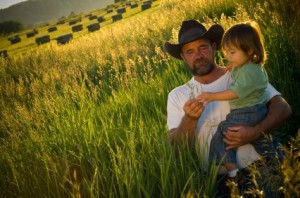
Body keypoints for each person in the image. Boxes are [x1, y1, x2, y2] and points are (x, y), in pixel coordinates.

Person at [164, 19, 292, 196]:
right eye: (190, 51)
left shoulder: (240, 72)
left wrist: (255, 132)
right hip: (220, 181)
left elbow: (283, 108)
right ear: (183, 57)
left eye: (202, 47)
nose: (198, 55)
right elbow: (177, 148)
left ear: (214, 46)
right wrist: (190, 119)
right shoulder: (178, 95)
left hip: (261, 165)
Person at [197, 21, 274, 181]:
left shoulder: (248, 73)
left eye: (232, 52)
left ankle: (233, 172)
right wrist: (234, 64)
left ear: (250, 50)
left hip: (246, 112)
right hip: (256, 110)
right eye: (226, 52)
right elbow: (241, 70)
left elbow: (234, 92)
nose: (227, 56)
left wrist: (212, 96)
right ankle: (279, 156)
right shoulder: (249, 65)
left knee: (221, 136)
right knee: (262, 140)